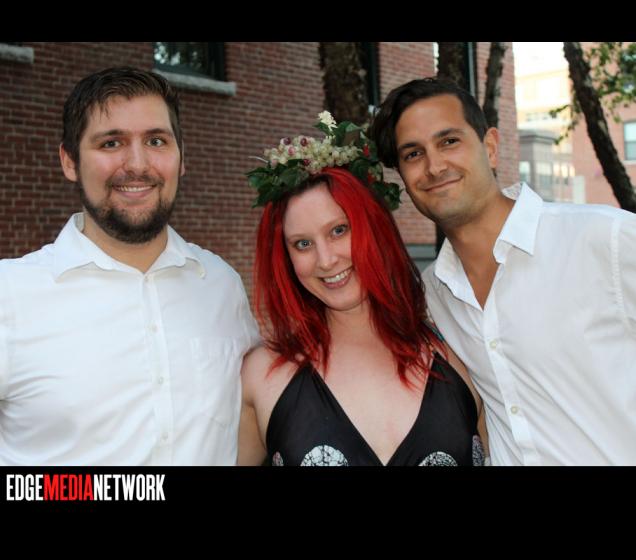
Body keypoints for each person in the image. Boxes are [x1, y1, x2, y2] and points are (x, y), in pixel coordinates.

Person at [369, 77, 636, 466]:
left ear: (490, 147)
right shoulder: (431, 295)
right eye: (413, 154)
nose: (434, 166)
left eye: (449, 141)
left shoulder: (606, 238)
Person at [0, 67, 259, 465]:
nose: (137, 164)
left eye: (156, 141)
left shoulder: (221, 284)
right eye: (111, 143)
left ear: (181, 158)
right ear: (69, 162)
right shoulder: (10, 295)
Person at [238, 112, 487, 466]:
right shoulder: (261, 376)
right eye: (303, 244)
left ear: (374, 228)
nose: (326, 260)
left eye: (339, 230)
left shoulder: (462, 352)